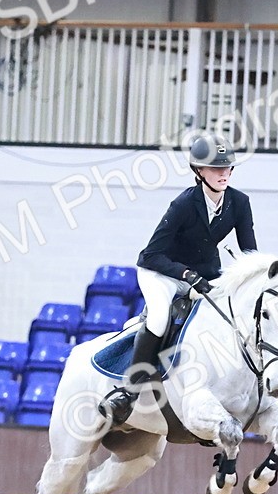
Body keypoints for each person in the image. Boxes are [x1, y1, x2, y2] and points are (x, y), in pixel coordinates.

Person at [99, 132, 258, 425]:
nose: (223, 173)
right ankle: (129, 393)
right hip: (162, 272)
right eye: (215, 168)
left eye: (227, 167)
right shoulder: (183, 204)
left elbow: (250, 254)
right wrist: (186, 274)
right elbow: (151, 254)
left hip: (205, 273)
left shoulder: (239, 202)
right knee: (160, 318)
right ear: (199, 171)